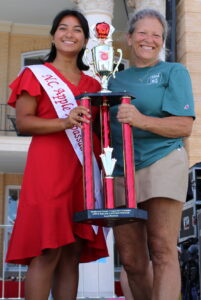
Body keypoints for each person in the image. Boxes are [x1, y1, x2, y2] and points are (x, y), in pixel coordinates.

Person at [6, 9, 108, 300]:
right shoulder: (34, 74)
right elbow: (24, 122)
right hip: (48, 168)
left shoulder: (94, 85)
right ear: (53, 35)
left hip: (81, 171)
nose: (69, 34)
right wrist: (64, 122)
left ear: (85, 40)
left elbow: (100, 132)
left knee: (72, 250)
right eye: (63, 28)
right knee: (48, 247)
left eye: (77, 30)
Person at [109, 8, 195, 300]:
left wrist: (140, 120)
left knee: (161, 249)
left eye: (156, 35)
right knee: (132, 260)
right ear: (130, 38)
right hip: (121, 170)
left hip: (162, 162)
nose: (149, 39)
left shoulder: (174, 71)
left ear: (163, 41)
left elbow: (183, 126)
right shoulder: (113, 80)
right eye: (142, 33)